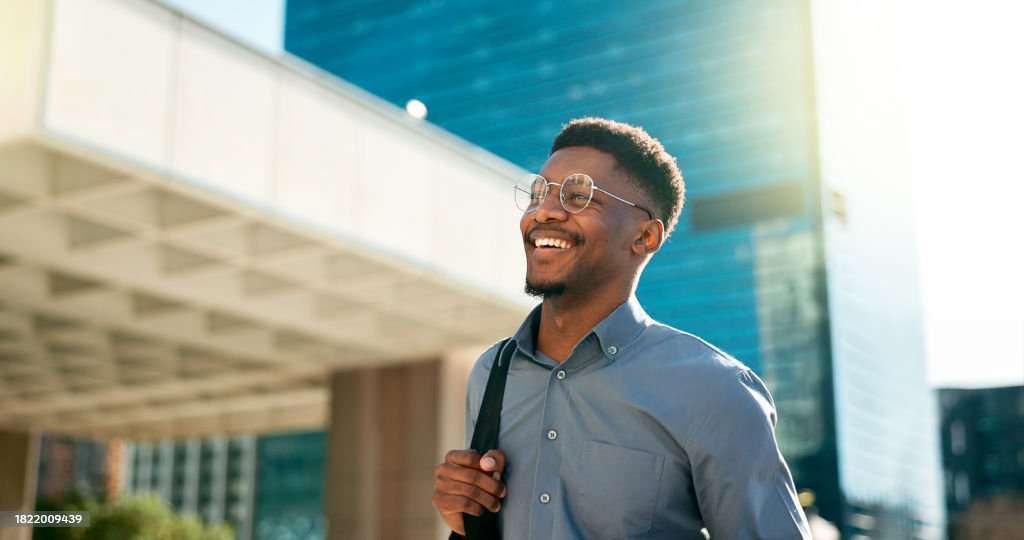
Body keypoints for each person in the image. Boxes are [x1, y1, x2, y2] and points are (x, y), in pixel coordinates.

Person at [432, 117, 810, 539]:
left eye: (579, 196)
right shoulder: (491, 372)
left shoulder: (717, 391)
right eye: (539, 193)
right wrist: (465, 520)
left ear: (645, 237)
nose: (545, 212)